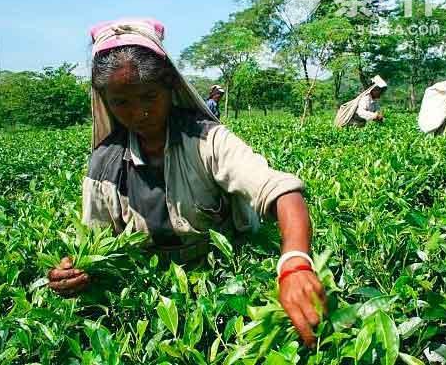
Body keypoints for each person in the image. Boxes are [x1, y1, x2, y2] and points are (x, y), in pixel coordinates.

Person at [46, 18, 325, 347]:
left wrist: (294, 264)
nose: (139, 113)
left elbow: (282, 192)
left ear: (169, 87)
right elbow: (98, 248)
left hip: (227, 277)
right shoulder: (104, 165)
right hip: (152, 295)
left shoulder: (207, 141)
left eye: (149, 96)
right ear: (106, 101)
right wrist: (75, 273)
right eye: (122, 102)